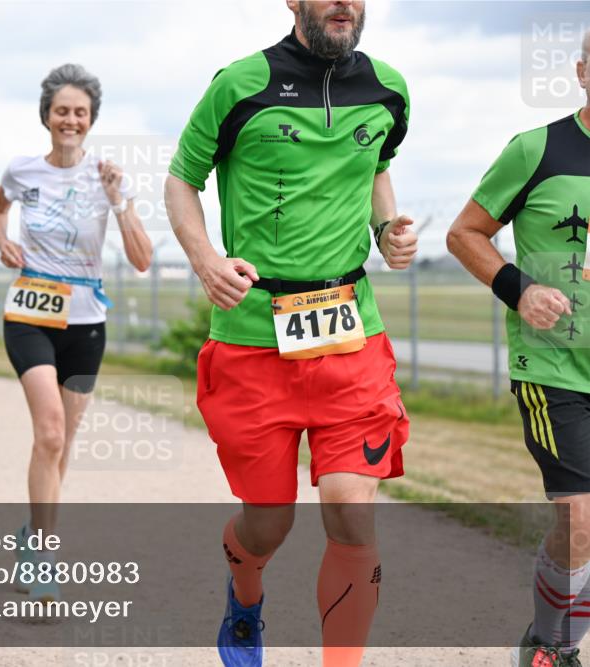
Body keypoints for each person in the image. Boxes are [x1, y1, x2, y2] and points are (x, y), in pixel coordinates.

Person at [165, 2, 415, 665]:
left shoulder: (389, 88)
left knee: (351, 511)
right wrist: (207, 261)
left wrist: (386, 228)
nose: (344, 3)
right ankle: (244, 592)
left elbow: (376, 167)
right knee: (268, 523)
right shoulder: (238, 85)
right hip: (253, 342)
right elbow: (182, 181)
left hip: (351, 338)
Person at [447, 29, 590, 667]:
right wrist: (520, 289)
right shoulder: (537, 149)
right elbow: (464, 233)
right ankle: (551, 647)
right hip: (554, 366)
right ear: (582, 72)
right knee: (580, 519)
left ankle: (553, 641)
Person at [0, 63, 152, 603]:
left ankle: (31, 535)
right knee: (51, 432)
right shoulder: (22, 171)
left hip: (85, 323)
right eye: (62, 110)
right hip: (30, 314)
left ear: (91, 119)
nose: (71, 120)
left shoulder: (107, 179)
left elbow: (143, 259)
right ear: (46, 115)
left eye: (80, 112)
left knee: (61, 444)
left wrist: (118, 200)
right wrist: (3, 241)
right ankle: (43, 554)